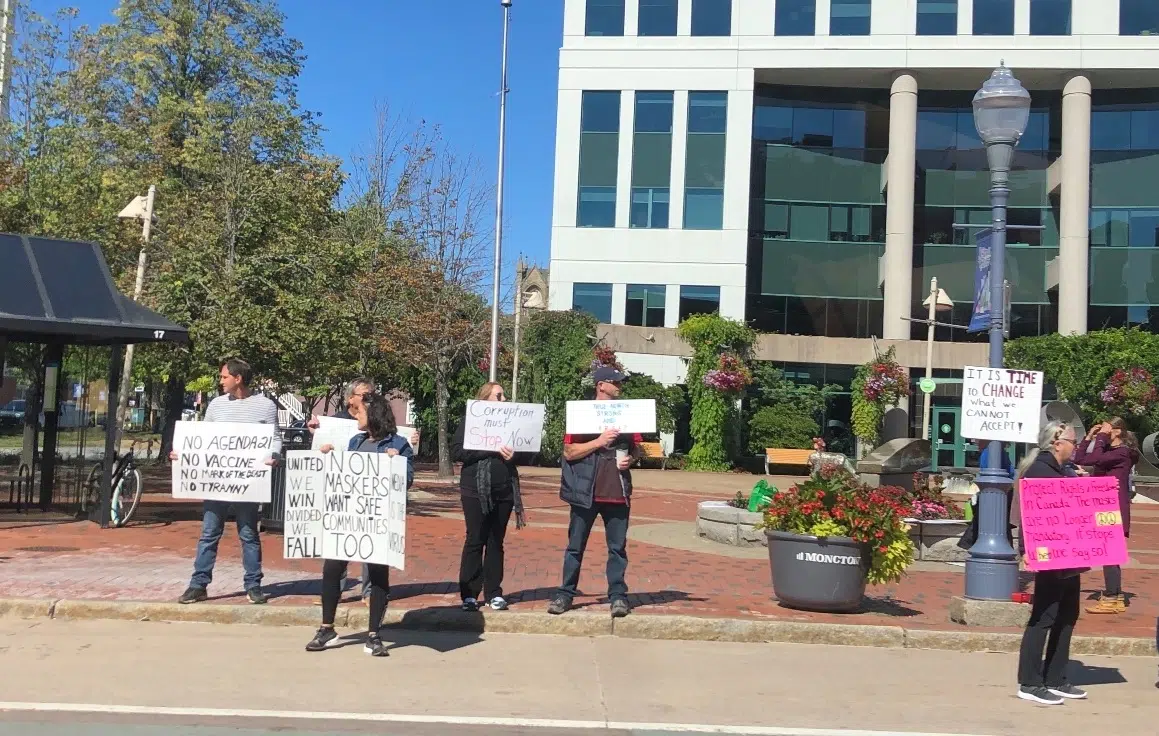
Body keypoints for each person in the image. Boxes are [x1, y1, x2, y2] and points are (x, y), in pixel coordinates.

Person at [306, 393, 414, 656]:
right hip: (349, 519)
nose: (356, 415)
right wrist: (329, 457)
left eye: (360, 412)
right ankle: (327, 628)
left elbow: (407, 479)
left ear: (374, 415)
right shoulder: (356, 441)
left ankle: (374, 634)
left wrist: (395, 463)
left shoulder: (399, 444)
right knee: (332, 569)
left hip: (377, 520)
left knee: (377, 574)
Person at [176, 359, 280, 606]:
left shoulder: (265, 406)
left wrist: (273, 456)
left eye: (224, 377)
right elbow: (202, 439)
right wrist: (183, 454)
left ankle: (253, 585)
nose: (220, 381)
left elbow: (274, 438)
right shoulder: (216, 405)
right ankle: (198, 584)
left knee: (248, 534)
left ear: (238, 378)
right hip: (216, 482)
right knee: (209, 533)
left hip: (247, 482)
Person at [547, 366, 639, 619]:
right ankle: (565, 594)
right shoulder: (582, 414)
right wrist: (599, 441)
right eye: (615, 382)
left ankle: (618, 597)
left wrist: (630, 459)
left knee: (617, 549)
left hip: (617, 492)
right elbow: (569, 452)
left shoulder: (628, 414)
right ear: (600, 385)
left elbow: (637, 449)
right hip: (584, 491)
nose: (620, 386)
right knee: (575, 547)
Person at [1015, 420, 1087, 705]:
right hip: (1051, 556)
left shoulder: (1062, 470)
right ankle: (1030, 682)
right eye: (1072, 441)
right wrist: (1026, 549)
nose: (1075, 446)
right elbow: (1030, 515)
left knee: (1067, 615)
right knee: (1043, 618)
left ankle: (1055, 677)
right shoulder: (1041, 471)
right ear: (1057, 443)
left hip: (1070, 555)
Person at [451, 381, 526, 612]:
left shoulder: (513, 425)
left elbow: (529, 454)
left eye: (503, 396)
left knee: (496, 541)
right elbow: (457, 451)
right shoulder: (471, 421)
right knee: (475, 538)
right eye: (499, 396)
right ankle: (469, 594)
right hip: (475, 489)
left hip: (504, 489)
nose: (504, 400)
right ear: (484, 400)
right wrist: (490, 449)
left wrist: (513, 454)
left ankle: (494, 592)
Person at [1075, 416, 1140, 615]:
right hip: (1104, 507)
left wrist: (1100, 437)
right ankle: (1116, 596)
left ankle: (1112, 597)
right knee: (1108, 553)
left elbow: (1094, 459)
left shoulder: (1122, 453)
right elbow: (1079, 459)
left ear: (1118, 431)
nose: (1102, 434)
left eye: (1108, 429)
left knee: (1109, 554)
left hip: (1113, 509)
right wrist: (1088, 437)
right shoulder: (1111, 453)